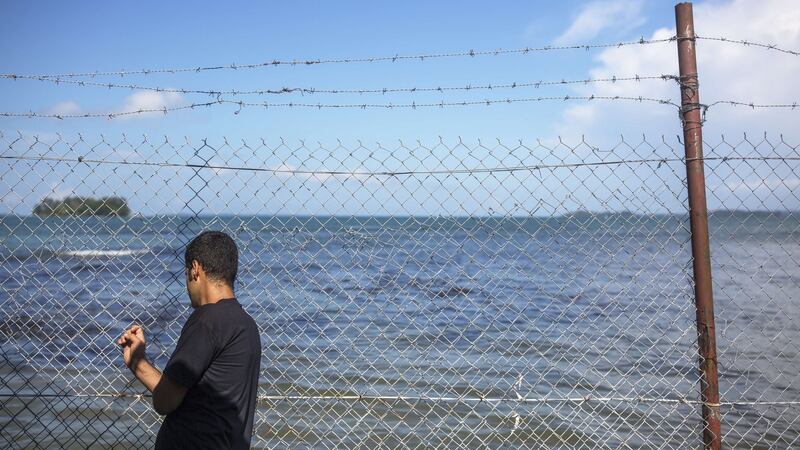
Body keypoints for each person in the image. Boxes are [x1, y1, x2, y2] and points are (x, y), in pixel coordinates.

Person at [117, 231, 261, 449]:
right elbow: (180, 393)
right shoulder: (246, 324)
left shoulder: (207, 320)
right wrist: (138, 363)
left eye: (186, 274)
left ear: (195, 269)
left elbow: (165, 401)